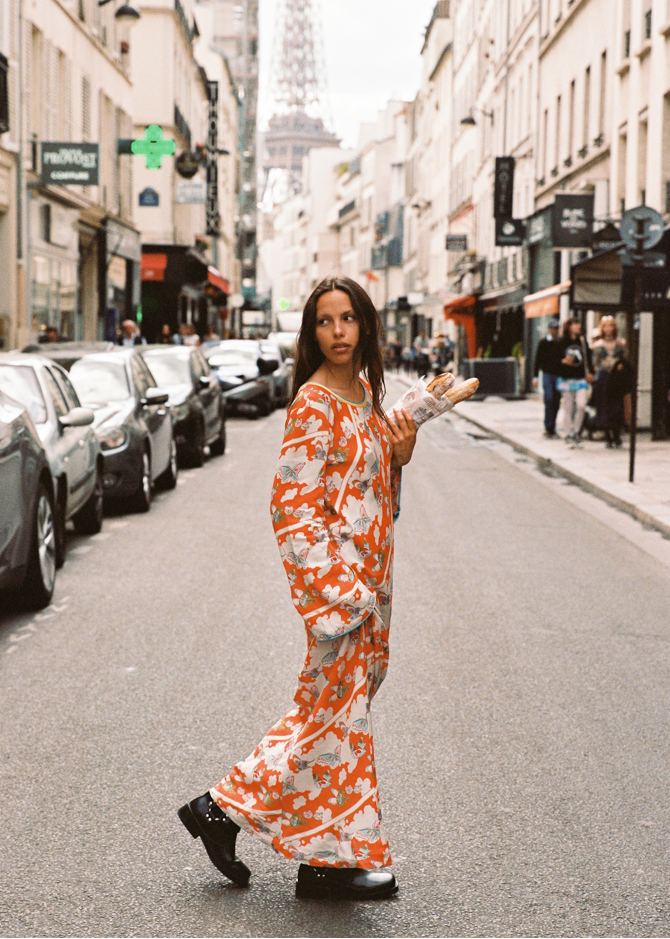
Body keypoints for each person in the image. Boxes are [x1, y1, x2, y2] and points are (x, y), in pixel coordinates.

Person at [178, 275, 417, 901]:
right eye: (324, 321)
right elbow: (293, 507)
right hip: (342, 593)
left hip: (372, 582)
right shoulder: (313, 404)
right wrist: (338, 594)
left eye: (347, 319)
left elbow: (369, 500)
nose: (338, 332)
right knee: (338, 720)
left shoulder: (364, 395)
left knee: (326, 718)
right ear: (311, 333)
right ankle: (328, 861)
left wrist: (399, 457)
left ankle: (233, 818)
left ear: (365, 325)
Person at [591, 316, 631, 448]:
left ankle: (617, 433)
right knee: (605, 406)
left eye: (611, 325)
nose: (608, 329)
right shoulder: (598, 345)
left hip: (616, 379)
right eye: (606, 326)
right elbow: (596, 364)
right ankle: (608, 435)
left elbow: (625, 360)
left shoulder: (621, 344)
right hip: (604, 378)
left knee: (617, 406)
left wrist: (620, 366)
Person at [557, 317, 593, 445]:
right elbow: (555, 360)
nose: (578, 326)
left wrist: (590, 372)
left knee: (581, 405)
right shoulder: (561, 342)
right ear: (569, 327)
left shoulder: (582, 341)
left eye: (578, 324)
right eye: (575, 324)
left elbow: (588, 358)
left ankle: (577, 431)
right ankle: (568, 433)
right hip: (566, 378)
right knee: (568, 407)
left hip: (580, 378)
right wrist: (563, 361)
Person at [532, 318, 563, 437]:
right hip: (547, 374)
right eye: (553, 328)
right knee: (549, 398)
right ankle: (548, 426)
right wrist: (535, 376)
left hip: (558, 374)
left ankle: (553, 426)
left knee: (556, 400)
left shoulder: (560, 342)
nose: (555, 330)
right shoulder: (543, 343)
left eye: (556, 328)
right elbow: (537, 360)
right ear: (549, 329)